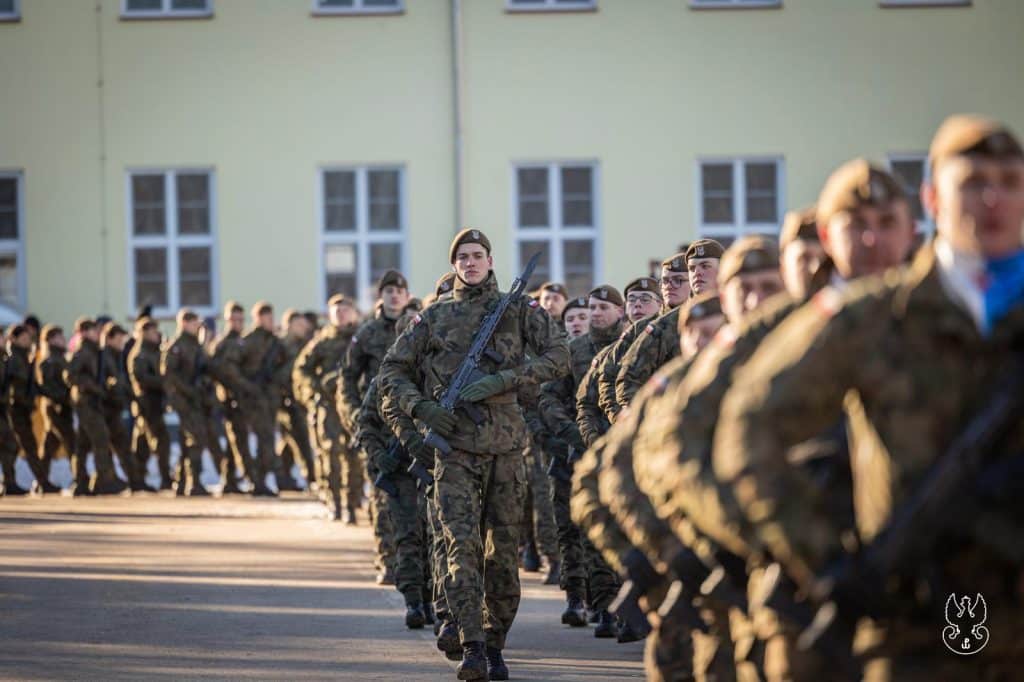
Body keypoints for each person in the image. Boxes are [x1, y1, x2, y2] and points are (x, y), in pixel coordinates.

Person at [714, 115, 1024, 681]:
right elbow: (749, 426)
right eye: (973, 182)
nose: (992, 199)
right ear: (934, 198)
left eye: (1008, 181)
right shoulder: (876, 317)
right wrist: (822, 556)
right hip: (908, 623)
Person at [380, 228, 568, 681]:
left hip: (505, 449)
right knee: (460, 551)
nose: (470, 263)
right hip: (455, 452)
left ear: (490, 260)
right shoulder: (433, 317)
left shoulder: (519, 311)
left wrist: (507, 379)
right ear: (453, 265)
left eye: (477, 255)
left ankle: (497, 638)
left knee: (501, 555)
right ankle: (473, 645)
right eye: (462, 257)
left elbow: (559, 356)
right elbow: (393, 372)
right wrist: (420, 406)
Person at [539, 284, 625, 638]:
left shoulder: (632, 346)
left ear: (620, 311)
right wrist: (571, 435)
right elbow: (547, 398)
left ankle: (622, 603)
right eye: (593, 308)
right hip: (579, 454)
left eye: (604, 307)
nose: (596, 314)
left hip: (624, 454)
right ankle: (599, 605)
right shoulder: (573, 351)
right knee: (586, 530)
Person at [340, 270, 410, 570]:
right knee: (383, 495)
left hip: (411, 426)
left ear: (407, 296)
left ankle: (412, 564)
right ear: (380, 296)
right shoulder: (366, 333)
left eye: (399, 290)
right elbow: (347, 377)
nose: (394, 295)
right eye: (389, 290)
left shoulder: (418, 327)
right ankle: (387, 559)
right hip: (378, 426)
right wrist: (355, 414)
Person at [293, 294, 361, 522]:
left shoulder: (362, 337)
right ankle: (335, 503)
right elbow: (301, 370)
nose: (340, 314)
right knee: (330, 454)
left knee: (354, 455)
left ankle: (352, 503)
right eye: (336, 311)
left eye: (344, 310)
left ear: (353, 312)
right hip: (328, 407)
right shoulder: (322, 341)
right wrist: (318, 387)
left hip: (354, 404)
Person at [210, 301, 270, 495]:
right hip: (230, 399)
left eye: (241, 319)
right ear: (227, 320)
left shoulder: (242, 341)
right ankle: (253, 481)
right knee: (239, 441)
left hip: (243, 398)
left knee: (234, 441)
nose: (238, 323)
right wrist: (243, 386)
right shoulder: (222, 344)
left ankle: (229, 480)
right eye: (234, 319)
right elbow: (220, 371)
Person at [67, 318, 127, 495]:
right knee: (101, 439)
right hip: (86, 402)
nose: (97, 334)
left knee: (83, 444)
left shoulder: (95, 352)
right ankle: (103, 480)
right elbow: (70, 375)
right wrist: (92, 386)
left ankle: (82, 482)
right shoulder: (83, 351)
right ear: (84, 333)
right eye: (93, 330)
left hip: (93, 403)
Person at [162, 309, 214, 496]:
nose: (197, 327)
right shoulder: (177, 346)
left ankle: (182, 480)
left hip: (194, 399)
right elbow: (170, 375)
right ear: (184, 323)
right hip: (184, 400)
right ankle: (194, 482)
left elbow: (204, 368)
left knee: (187, 442)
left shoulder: (195, 345)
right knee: (196, 438)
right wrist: (188, 392)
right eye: (194, 323)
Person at [6, 324, 57, 492]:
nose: (28, 342)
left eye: (29, 339)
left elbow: (31, 384)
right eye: (24, 339)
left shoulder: (22, 357)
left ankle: (38, 482)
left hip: (22, 408)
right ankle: (13, 482)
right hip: (14, 409)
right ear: (14, 339)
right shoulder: (12, 359)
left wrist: (48, 393)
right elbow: (13, 384)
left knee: (23, 446)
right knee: (16, 446)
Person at [128, 317, 173, 490]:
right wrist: (162, 381)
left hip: (154, 403)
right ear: (144, 333)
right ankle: (163, 478)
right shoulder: (140, 354)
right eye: (154, 331)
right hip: (147, 403)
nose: (157, 334)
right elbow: (142, 379)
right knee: (162, 441)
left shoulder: (154, 351)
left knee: (142, 444)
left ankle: (138, 479)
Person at [276, 309, 315, 490]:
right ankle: (311, 478)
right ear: (289, 325)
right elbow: (276, 374)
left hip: (301, 400)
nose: (304, 328)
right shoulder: (280, 346)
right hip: (286, 401)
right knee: (300, 441)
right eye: (300, 325)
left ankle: (284, 477)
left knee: (290, 441)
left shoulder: (304, 344)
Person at [35, 325, 76, 491]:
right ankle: (80, 479)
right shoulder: (50, 361)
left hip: (61, 407)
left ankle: (41, 481)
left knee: (50, 444)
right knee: (72, 443)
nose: (63, 339)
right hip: (56, 408)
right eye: (59, 337)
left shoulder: (60, 358)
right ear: (50, 340)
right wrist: (64, 398)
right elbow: (47, 387)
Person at [779, 206, 826, 301]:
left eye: (825, 260)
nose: (816, 268)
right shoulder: (772, 315)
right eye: (805, 258)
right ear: (784, 268)